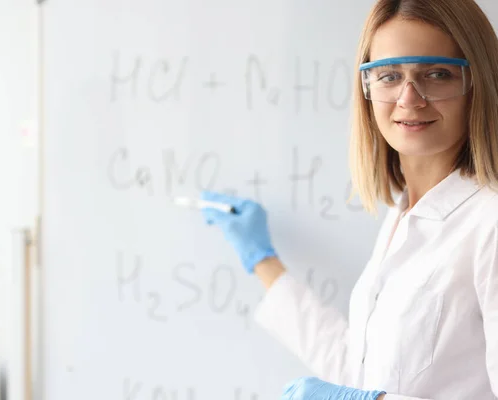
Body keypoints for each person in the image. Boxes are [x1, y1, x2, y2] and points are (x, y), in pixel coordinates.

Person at [200, 0, 498, 399]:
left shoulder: (489, 221)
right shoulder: (404, 213)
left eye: (438, 74)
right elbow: (359, 368)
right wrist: (262, 260)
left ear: (477, 82)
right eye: (390, 75)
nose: (409, 98)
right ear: (367, 88)